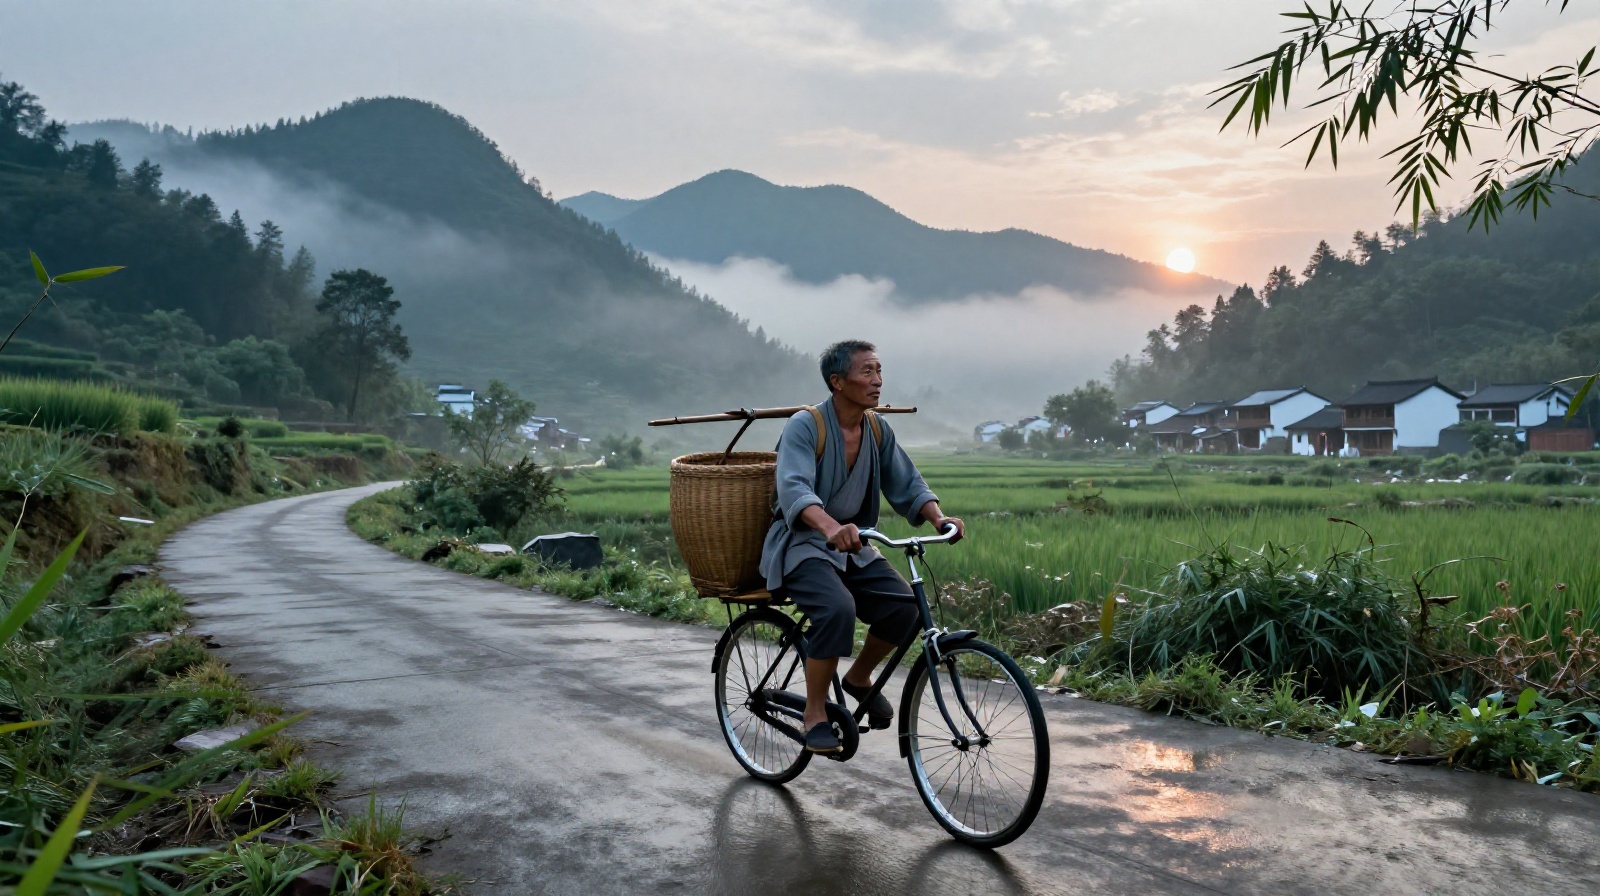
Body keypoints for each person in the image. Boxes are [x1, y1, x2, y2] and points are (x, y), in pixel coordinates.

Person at [760, 340, 964, 753]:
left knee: (906, 609)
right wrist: (830, 526)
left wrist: (939, 518)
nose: (877, 381)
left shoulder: (875, 427)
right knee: (837, 610)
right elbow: (793, 488)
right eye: (867, 372)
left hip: (853, 546)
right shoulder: (806, 425)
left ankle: (857, 678)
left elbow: (907, 480)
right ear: (837, 382)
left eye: (879, 371)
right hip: (803, 544)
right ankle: (814, 713)